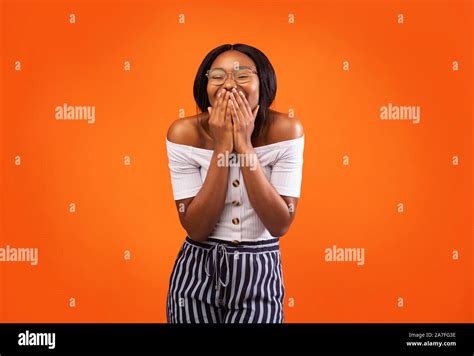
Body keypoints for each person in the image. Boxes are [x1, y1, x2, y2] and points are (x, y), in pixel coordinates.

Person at [165, 43, 304, 323]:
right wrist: (222, 147)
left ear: (263, 84)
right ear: (204, 87)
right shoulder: (183, 133)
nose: (228, 85)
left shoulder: (288, 131)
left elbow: (280, 223)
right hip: (196, 275)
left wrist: (244, 145)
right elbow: (196, 227)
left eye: (242, 76)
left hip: (259, 274)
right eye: (216, 76)